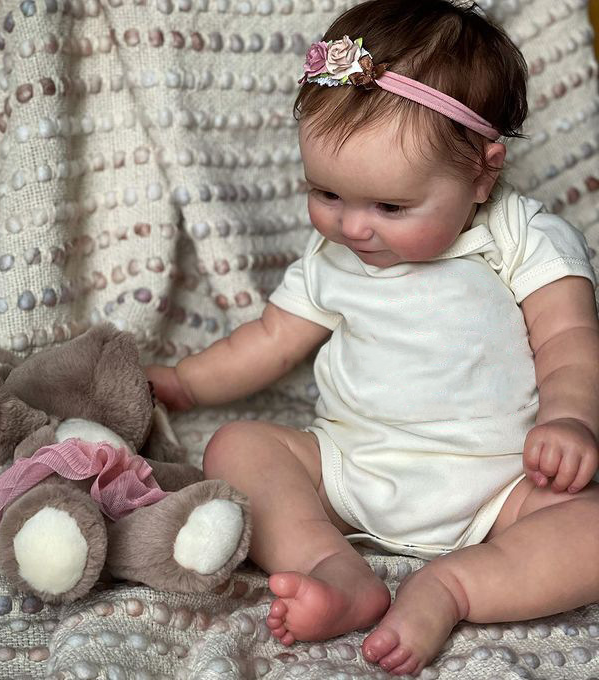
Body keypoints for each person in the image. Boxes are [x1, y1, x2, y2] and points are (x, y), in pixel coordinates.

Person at [146, 0, 599, 675]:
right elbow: (270, 339)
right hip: (347, 470)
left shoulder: (520, 237)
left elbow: (569, 338)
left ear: (482, 173)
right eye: (327, 194)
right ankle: (333, 568)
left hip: (502, 488)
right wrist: (185, 383)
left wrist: (570, 420)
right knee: (236, 447)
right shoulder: (331, 260)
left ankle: (454, 587)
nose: (354, 227)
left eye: (390, 206)